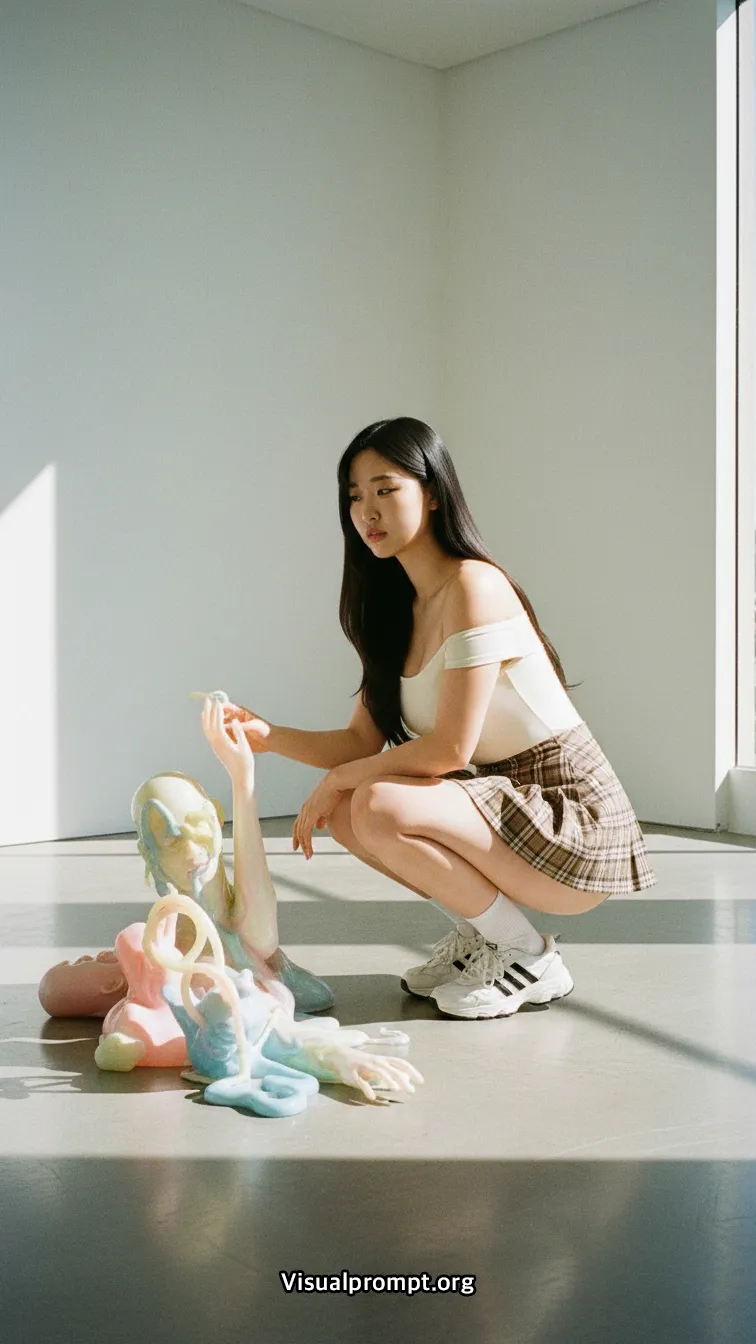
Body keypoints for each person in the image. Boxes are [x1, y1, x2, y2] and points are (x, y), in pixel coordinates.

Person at [222, 417, 656, 1021]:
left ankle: (528, 955)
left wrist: (341, 779)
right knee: (349, 812)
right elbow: (360, 741)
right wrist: (266, 737)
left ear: (431, 493)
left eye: (385, 489)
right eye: (354, 496)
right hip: (504, 809)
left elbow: (451, 749)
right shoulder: (395, 610)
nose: (367, 511)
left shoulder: (474, 586)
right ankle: (486, 939)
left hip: (574, 819)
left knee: (374, 801)